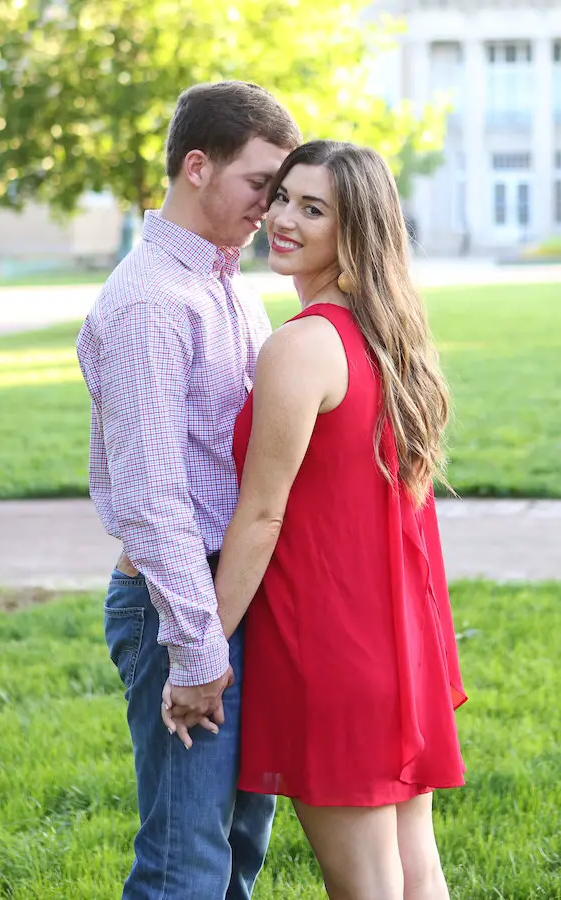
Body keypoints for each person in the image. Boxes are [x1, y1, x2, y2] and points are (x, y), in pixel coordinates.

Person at [163, 141, 468, 900]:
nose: (283, 221)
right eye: (283, 199)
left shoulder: (301, 346)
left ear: (354, 229)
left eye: (313, 208)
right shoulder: (389, 337)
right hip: (398, 647)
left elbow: (262, 516)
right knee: (414, 871)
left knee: (366, 885)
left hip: (330, 652)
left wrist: (201, 656)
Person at [76, 81, 301, 899]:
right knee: (185, 862)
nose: (271, 208)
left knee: (238, 847)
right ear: (197, 167)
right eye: (260, 185)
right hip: (181, 603)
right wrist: (198, 651)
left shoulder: (224, 284)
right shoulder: (150, 304)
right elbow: (152, 498)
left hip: (232, 589)